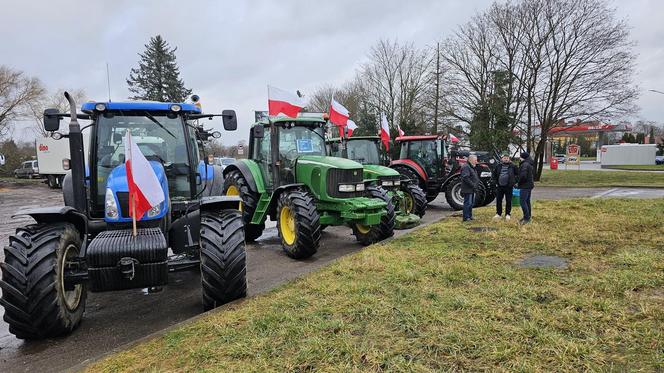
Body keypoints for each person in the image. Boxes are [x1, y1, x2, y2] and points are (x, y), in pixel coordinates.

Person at [492, 152, 517, 220]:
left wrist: (514, 182)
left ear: (509, 159)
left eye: (507, 158)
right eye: (504, 158)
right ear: (502, 159)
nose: (506, 159)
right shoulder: (498, 166)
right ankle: (498, 214)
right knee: (499, 200)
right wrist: (495, 183)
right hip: (500, 186)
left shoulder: (513, 166)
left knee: (508, 200)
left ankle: (508, 214)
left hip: (509, 186)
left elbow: (517, 174)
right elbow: (494, 175)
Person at [460, 154, 480, 222]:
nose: (476, 161)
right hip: (467, 188)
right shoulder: (466, 167)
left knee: (471, 203)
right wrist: (473, 185)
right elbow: (466, 177)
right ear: (471, 160)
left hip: (471, 189)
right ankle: (466, 217)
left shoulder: (471, 167)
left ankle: (470, 216)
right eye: (475, 160)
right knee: (467, 203)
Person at [517, 151, 535, 224]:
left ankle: (526, 218)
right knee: (527, 201)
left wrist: (518, 183)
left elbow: (523, 176)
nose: (519, 158)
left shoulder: (525, 165)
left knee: (522, 201)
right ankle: (528, 216)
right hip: (529, 185)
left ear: (523, 157)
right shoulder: (529, 163)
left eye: (520, 157)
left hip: (525, 186)